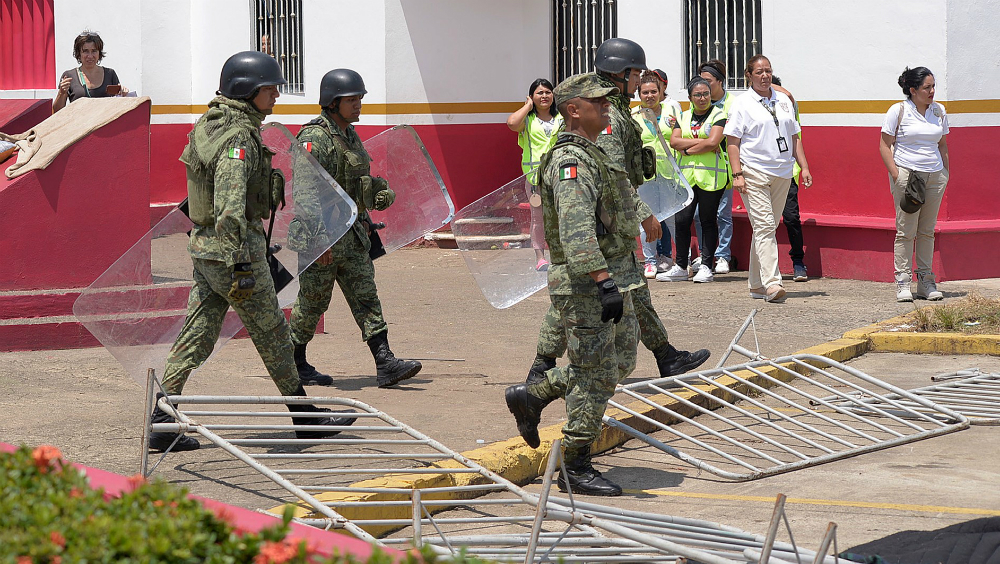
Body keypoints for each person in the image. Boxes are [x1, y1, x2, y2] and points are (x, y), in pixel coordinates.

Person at [148, 52, 355, 452]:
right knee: (273, 334)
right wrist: (242, 264)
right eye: (269, 89)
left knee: (197, 333)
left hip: (206, 251)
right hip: (234, 255)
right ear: (247, 90)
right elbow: (229, 207)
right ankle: (306, 418)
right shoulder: (239, 136)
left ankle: (161, 418)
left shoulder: (210, 124)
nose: (276, 95)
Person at [525, 38, 710, 412]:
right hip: (603, 225)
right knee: (580, 293)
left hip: (613, 223)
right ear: (620, 73)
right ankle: (542, 370)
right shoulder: (604, 114)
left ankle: (664, 354)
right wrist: (642, 212)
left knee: (631, 290)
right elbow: (612, 176)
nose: (640, 80)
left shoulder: (615, 107)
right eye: (635, 73)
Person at [505, 73, 640, 496]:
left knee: (620, 360)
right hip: (586, 283)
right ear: (574, 110)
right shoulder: (571, 162)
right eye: (598, 102)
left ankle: (535, 394)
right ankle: (575, 462)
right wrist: (603, 281)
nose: (607, 107)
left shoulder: (593, 152)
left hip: (611, 274)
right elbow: (577, 228)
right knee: (596, 372)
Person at [288, 69, 423, 388]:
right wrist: (320, 241)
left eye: (360, 99)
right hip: (322, 239)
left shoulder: (349, 135)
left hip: (352, 235)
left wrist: (377, 191)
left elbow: (355, 181)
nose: (358, 105)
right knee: (312, 303)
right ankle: (293, 362)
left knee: (366, 297)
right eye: (352, 100)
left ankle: (385, 361)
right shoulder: (313, 139)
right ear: (333, 102)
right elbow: (305, 193)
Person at [724, 55, 813, 303]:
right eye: (759, 72)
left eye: (768, 71)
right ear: (749, 76)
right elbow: (732, 142)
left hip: (782, 172)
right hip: (753, 171)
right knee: (764, 226)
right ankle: (772, 283)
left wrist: (804, 166)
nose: (765, 76)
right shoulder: (742, 104)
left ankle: (756, 285)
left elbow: (794, 136)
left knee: (767, 228)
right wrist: (737, 174)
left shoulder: (783, 100)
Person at [878, 66, 949, 302]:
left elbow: (942, 144)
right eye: (927, 87)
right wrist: (896, 174)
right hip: (908, 175)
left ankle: (926, 282)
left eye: (933, 86)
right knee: (906, 231)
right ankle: (903, 282)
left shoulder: (939, 110)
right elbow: (884, 145)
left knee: (927, 231)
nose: (932, 91)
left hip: (935, 176)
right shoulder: (898, 110)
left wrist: (945, 173)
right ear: (913, 90)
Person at [658, 77, 729, 284]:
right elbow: (674, 141)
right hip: (686, 177)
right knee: (682, 221)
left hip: (711, 178)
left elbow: (714, 141)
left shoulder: (719, 114)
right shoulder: (683, 116)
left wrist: (688, 148)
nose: (702, 98)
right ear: (690, 97)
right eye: (697, 95)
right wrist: (702, 143)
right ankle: (681, 266)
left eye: (706, 94)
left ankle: (706, 265)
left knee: (707, 220)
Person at [507, 78, 563, 271]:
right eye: (540, 93)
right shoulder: (527, 120)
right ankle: (540, 257)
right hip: (535, 178)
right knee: (538, 218)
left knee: (561, 216)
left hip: (559, 175)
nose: (544, 96)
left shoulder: (561, 118)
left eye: (548, 92)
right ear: (531, 96)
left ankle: (560, 255)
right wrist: (528, 106)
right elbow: (511, 123)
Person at [631, 69, 679, 278]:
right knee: (647, 219)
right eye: (645, 92)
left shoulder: (672, 111)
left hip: (669, 174)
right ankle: (650, 262)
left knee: (672, 220)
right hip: (645, 176)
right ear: (639, 94)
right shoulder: (633, 116)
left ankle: (679, 259)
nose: (649, 96)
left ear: (661, 92)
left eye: (653, 91)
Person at [698, 59, 736, 275]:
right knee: (700, 215)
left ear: (720, 81)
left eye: (708, 81)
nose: (703, 86)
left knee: (723, 213)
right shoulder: (699, 102)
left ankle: (723, 256)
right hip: (701, 168)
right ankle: (705, 255)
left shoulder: (733, 104)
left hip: (725, 167)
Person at [771, 76, 809, 282]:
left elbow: (796, 139)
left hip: (787, 172)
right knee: (765, 222)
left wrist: (804, 167)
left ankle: (798, 262)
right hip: (762, 172)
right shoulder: (753, 107)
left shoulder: (787, 105)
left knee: (791, 218)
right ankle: (768, 267)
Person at [52, 31, 129, 113]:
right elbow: (56, 111)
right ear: (79, 53)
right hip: (79, 121)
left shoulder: (110, 74)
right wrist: (62, 93)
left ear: (99, 53)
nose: (90, 56)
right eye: (85, 51)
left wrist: (123, 94)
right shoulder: (69, 76)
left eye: (94, 51)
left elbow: (118, 105)